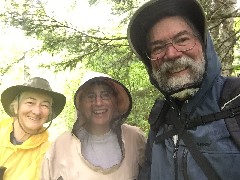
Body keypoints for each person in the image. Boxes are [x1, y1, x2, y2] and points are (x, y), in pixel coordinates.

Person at [127, 0, 240, 179]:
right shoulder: (160, 120)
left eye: (182, 40)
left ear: (204, 44)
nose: (171, 54)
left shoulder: (235, 101)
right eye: (158, 47)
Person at [41, 72, 146, 180]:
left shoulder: (135, 138)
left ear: (115, 101)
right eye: (90, 96)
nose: (98, 103)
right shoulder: (60, 146)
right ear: (81, 104)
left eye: (105, 95)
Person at [0, 77, 66, 180]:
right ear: (16, 107)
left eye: (44, 105)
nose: (37, 111)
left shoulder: (52, 156)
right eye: (30, 102)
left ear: (49, 113)